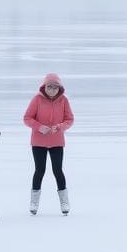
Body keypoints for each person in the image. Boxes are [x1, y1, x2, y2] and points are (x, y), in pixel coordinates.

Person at [23, 73, 75, 216]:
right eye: (49, 87)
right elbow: (27, 118)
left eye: (55, 87)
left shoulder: (63, 100)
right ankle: (34, 202)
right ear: (44, 87)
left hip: (57, 141)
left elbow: (69, 119)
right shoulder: (37, 99)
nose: (52, 90)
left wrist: (60, 127)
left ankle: (64, 202)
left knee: (57, 170)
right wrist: (39, 127)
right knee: (39, 170)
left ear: (59, 88)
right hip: (38, 142)